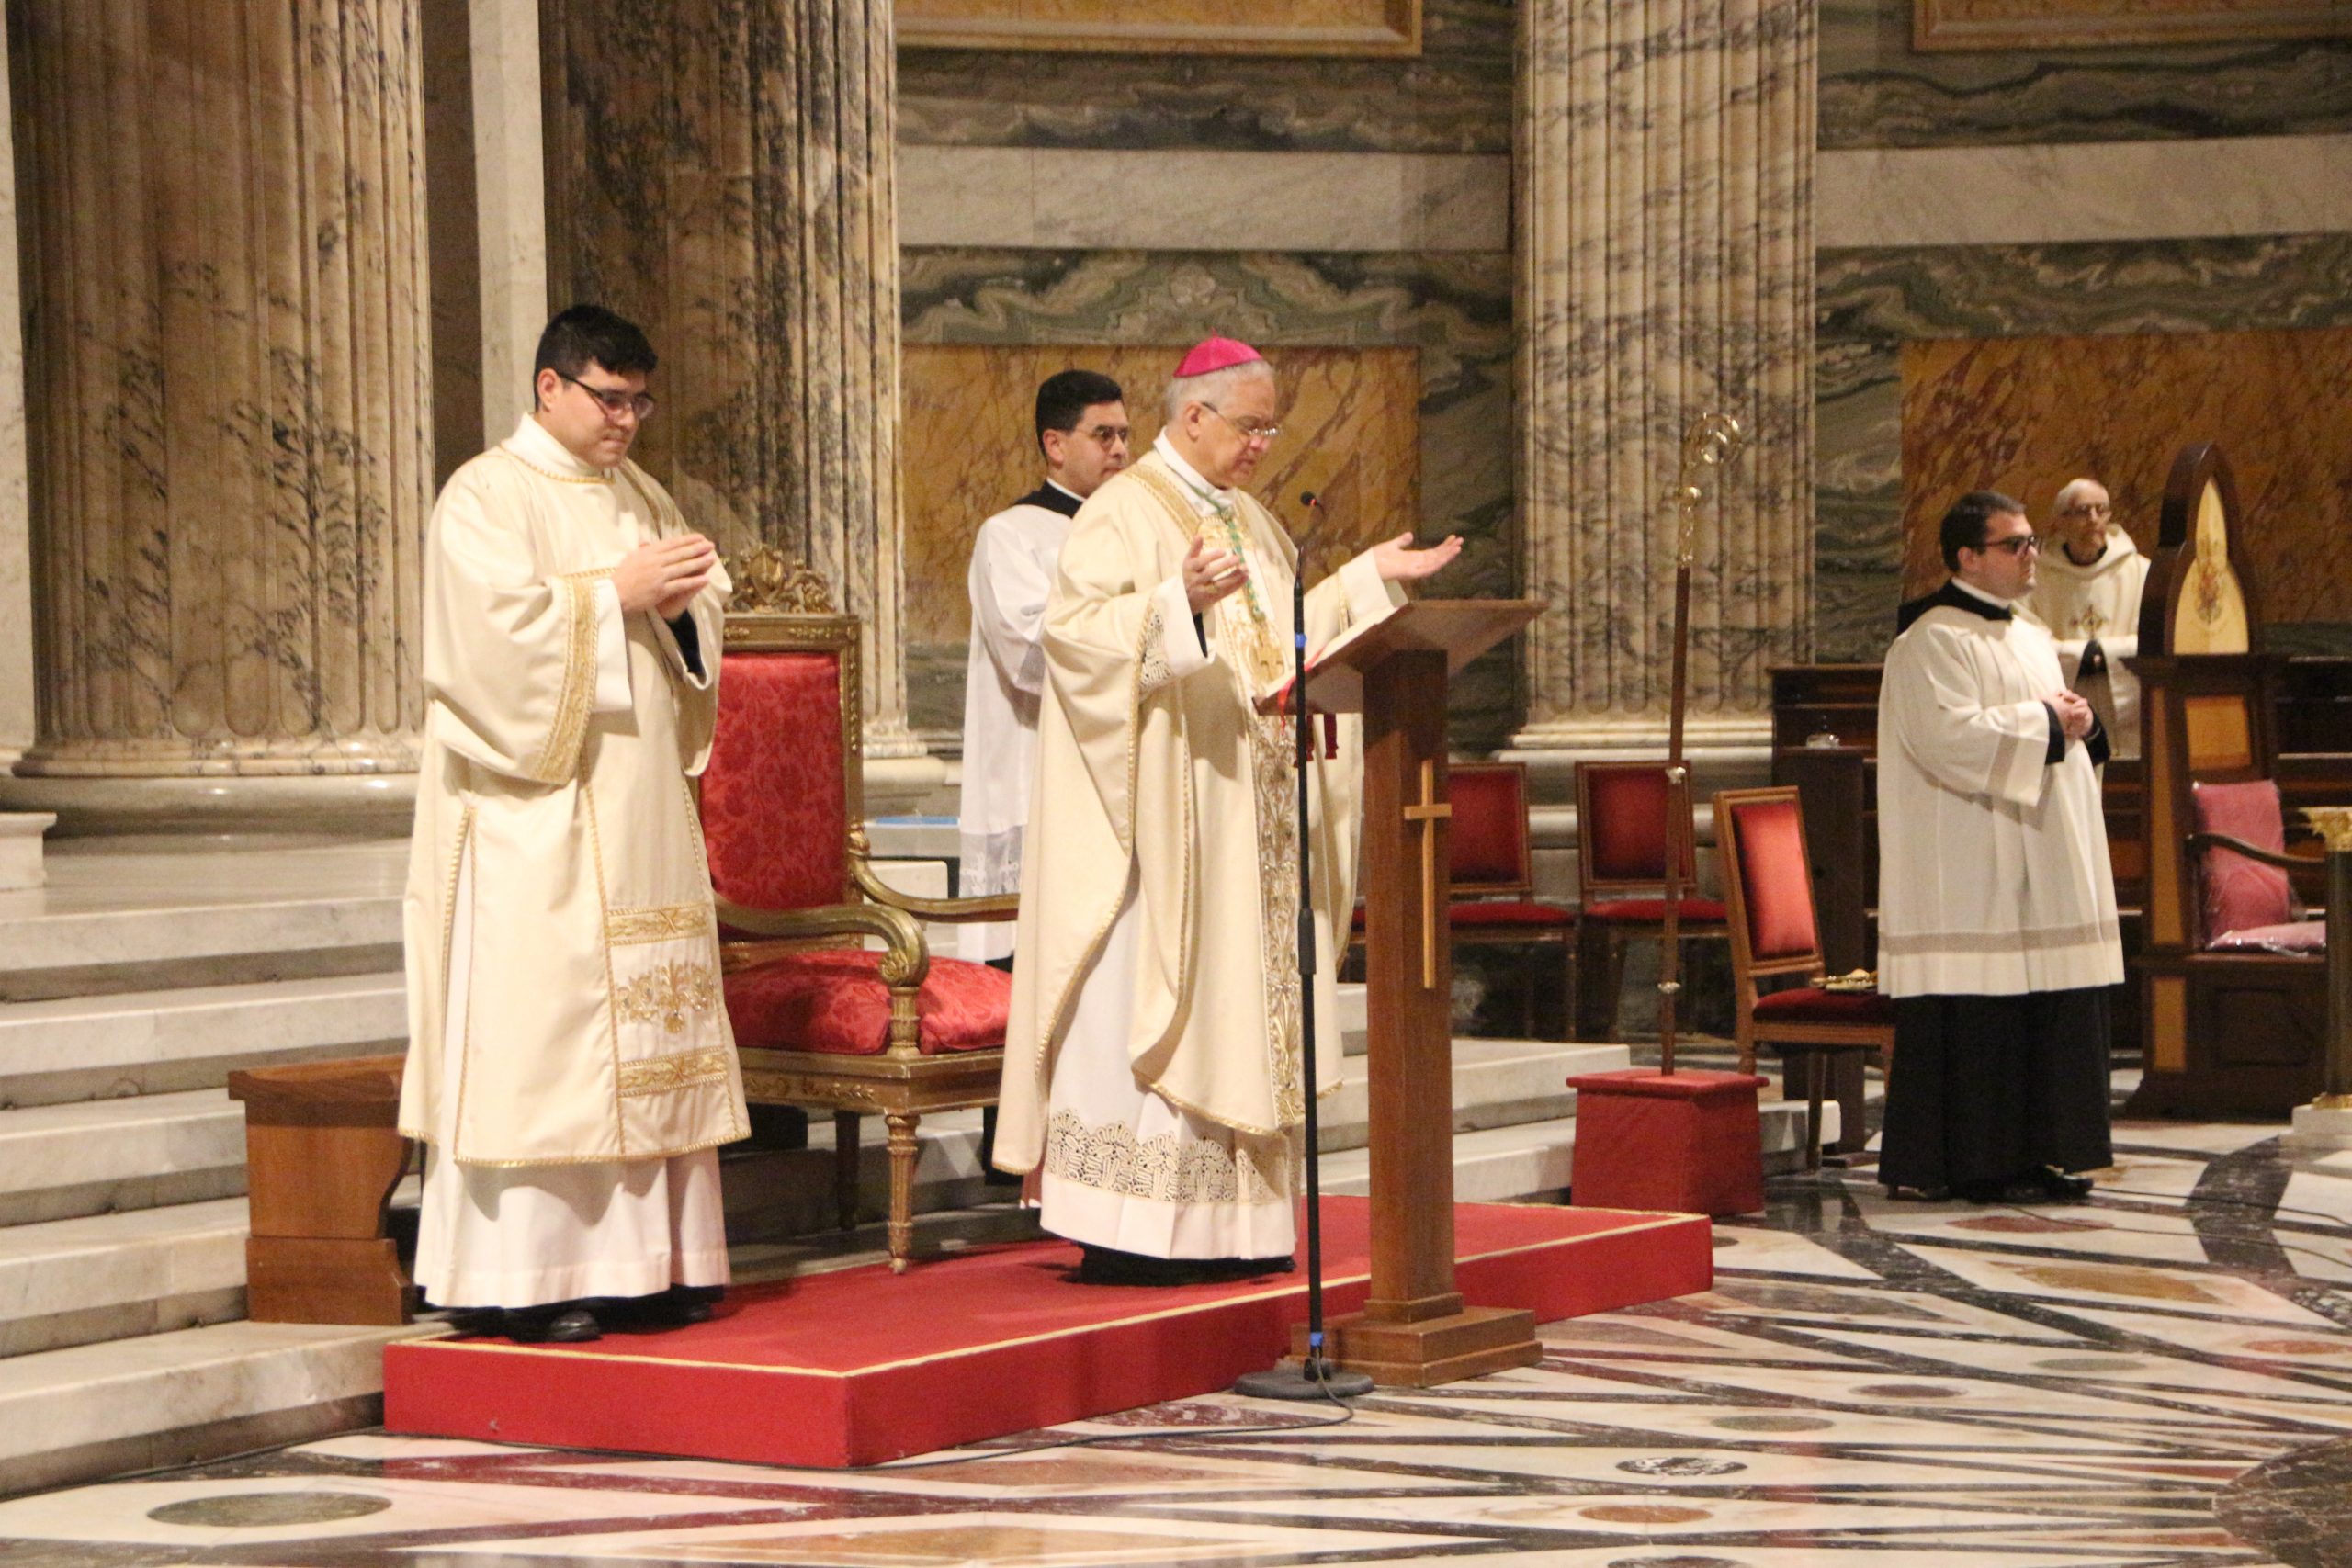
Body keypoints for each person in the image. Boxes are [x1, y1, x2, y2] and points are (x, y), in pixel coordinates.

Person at [991, 337, 1461, 1284]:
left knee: (1244, 1010)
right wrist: (1177, 606)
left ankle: (1234, 1226)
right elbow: (1073, 641)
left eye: (1270, 427)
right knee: (1158, 1003)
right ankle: (1131, 1229)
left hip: (1247, 813)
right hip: (1163, 826)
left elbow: (1285, 644)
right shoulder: (1122, 512)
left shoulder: (1248, 518)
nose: (1261, 444)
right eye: (1249, 425)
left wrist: (1368, 579)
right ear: (1193, 415)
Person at [397, 305, 749, 1343]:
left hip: (638, 815)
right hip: (532, 820)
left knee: (647, 1040)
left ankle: (657, 1259)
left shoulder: (638, 491)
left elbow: (698, 625)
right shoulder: (485, 495)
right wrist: (613, 595)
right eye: (609, 398)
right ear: (549, 387)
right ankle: (538, 1276)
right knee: (550, 1042)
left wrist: (684, 605)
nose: (627, 420)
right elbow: (481, 649)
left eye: (640, 401)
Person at [1876, 490, 2121, 1205]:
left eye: (2031, 541)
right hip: (1970, 862)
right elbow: (1949, 738)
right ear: (1967, 557)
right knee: (1982, 1012)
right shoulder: (1929, 640)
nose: (2031, 554)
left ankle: (2038, 1151)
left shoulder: (2029, 634)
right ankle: (1971, 1161)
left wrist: (2078, 719)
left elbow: (2055, 726)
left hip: (2038, 858)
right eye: (2014, 544)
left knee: (2045, 1002)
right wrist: (2045, 719)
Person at [958, 369, 1131, 964]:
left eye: (1125, 435)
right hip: (1038, 770)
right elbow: (1029, 651)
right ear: (1055, 445)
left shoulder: (1134, 533)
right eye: (1103, 434)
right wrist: (1142, 625)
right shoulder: (1010, 536)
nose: (1120, 450)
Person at [2019, 478, 2149, 760]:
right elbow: (2027, 641)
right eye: (2081, 511)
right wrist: (2088, 655)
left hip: (2130, 719)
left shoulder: (2141, 572)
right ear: (2060, 521)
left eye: (2101, 510)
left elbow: (2155, 640)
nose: (2093, 520)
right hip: (2067, 710)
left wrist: (2098, 654)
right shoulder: (2036, 578)